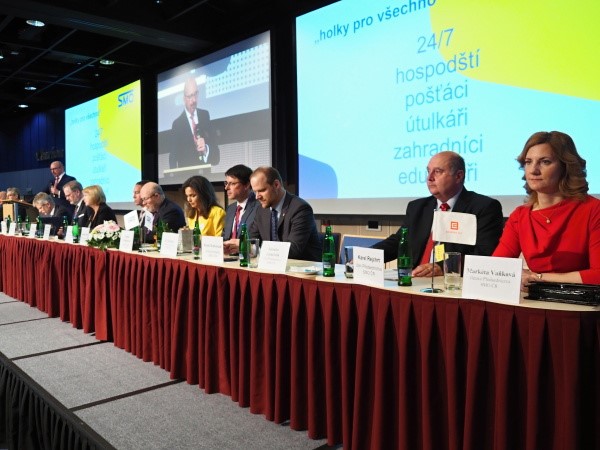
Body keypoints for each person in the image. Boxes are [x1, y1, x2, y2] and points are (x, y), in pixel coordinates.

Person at [493, 131, 600, 288]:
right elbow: (495, 269)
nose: (533, 170)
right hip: (534, 299)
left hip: (581, 301)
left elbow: (598, 275)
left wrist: (539, 277)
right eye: (528, 162)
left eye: (545, 162)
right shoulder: (520, 216)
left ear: (565, 167)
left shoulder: (593, 210)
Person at [372, 151, 504, 276]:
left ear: (458, 176)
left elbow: (484, 254)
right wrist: (369, 257)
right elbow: (399, 242)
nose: (429, 178)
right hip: (415, 280)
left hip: (452, 283)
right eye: (428, 171)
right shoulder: (417, 207)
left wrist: (443, 267)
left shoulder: (484, 207)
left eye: (437, 171)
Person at [241, 166, 321, 261]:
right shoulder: (261, 210)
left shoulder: (300, 209)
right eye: (255, 192)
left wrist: (258, 249)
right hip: (271, 265)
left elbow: (293, 250)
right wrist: (243, 245)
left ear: (276, 185)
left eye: (262, 190)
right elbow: (252, 240)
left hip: (302, 267)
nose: (257, 196)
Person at [170, 77, 219, 168]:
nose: (194, 100)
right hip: (186, 176)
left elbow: (216, 157)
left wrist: (206, 149)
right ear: (184, 99)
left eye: (195, 94)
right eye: (190, 96)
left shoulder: (205, 115)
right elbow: (173, 158)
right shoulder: (177, 124)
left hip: (205, 175)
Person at [222, 164, 258, 242]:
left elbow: (259, 239)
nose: (226, 187)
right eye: (226, 183)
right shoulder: (230, 209)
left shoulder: (259, 207)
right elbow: (224, 236)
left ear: (247, 185)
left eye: (232, 184)